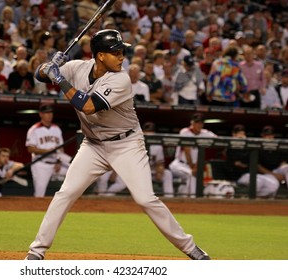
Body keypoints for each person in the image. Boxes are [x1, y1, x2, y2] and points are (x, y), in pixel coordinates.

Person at [25, 29, 210, 260]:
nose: (122, 56)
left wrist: (59, 77)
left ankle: (191, 249)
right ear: (100, 55)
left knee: (145, 199)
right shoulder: (77, 67)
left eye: (122, 51)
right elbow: (38, 75)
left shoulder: (121, 78)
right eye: (116, 52)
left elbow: (88, 106)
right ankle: (36, 252)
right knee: (65, 193)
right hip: (93, 146)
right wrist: (48, 67)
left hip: (127, 145)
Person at [25, 104, 70, 197]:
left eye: (51, 112)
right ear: (41, 114)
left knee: (75, 171)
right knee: (39, 194)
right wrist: (47, 151)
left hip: (56, 163)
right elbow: (30, 149)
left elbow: (61, 148)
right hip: (41, 164)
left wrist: (59, 161)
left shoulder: (56, 128)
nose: (49, 115)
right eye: (46, 113)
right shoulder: (34, 129)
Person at [169, 113, 217, 198]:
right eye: (197, 122)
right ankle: (193, 200)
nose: (199, 125)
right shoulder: (185, 132)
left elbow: (219, 140)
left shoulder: (206, 133)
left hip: (193, 166)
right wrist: (193, 168)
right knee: (191, 175)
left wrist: (196, 167)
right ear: (192, 122)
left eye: (201, 123)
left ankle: (184, 198)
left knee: (192, 177)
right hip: (179, 164)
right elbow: (187, 151)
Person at [237, 126, 286, 198]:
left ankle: (251, 198)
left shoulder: (277, 149)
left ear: (273, 136)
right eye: (266, 135)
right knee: (257, 183)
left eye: (270, 135)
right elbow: (258, 167)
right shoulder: (256, 147)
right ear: (262, 136)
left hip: (266, 177)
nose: (269, 137)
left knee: (273, 186)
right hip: (249, 175)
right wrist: (275, 175)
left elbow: (283, 163)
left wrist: (281, 175)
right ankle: (245, 198)